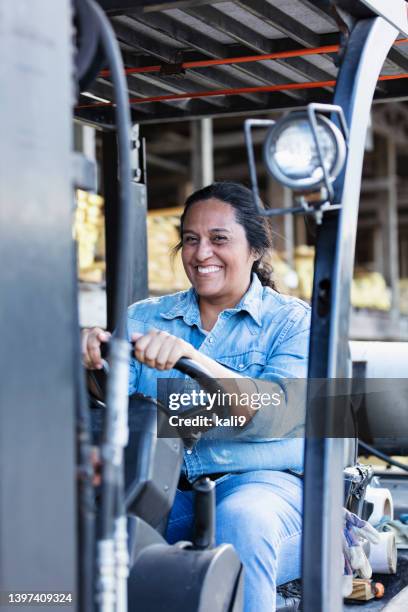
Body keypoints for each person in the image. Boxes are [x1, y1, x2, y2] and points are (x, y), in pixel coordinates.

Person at [82, 182, 311, 612]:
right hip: (165, 487)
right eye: (191, 239)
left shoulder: (292, 323)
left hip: (267, 490)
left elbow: (276, 412)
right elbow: (114, 396)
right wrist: (93, 361)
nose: (201, 253)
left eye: (219, 239)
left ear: (256, 249)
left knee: (240, 521)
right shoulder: (145, 316)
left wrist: (194, 360)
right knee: (89, 517)